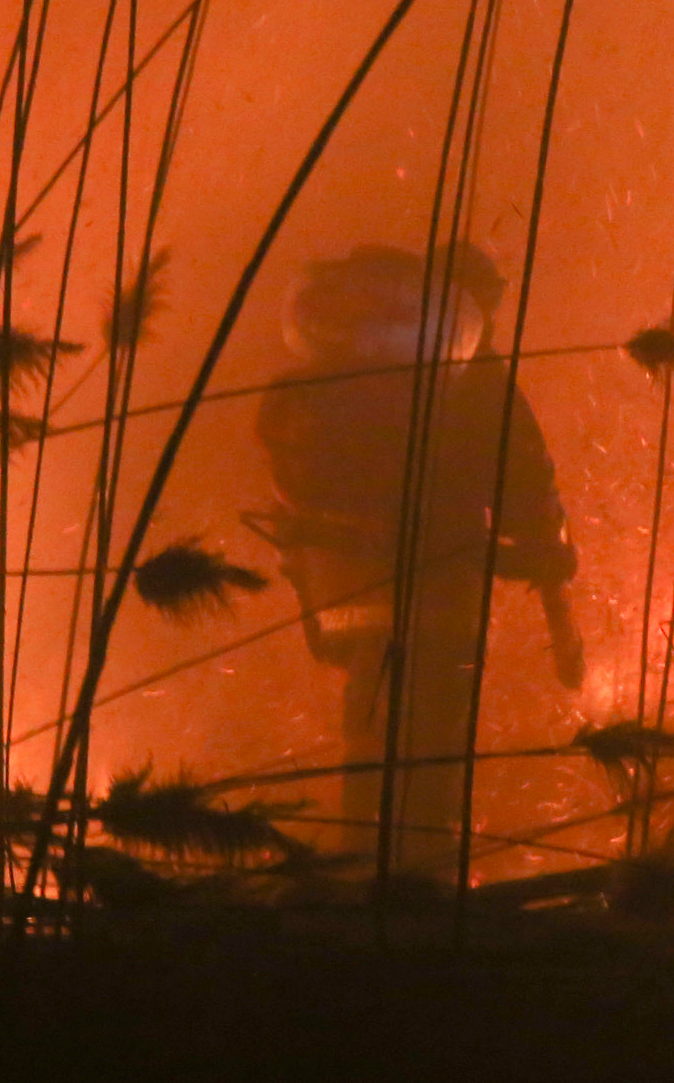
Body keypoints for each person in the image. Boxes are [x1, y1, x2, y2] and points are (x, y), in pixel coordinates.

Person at [251, 244, 581, 886]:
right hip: (437, 597)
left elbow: (295, 500)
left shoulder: (345, 377)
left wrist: (311, 596)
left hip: (349, 594)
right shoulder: (480, 381)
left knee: (369, 742)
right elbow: (528, 494)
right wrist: (556, 597)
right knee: (431, 750)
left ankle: (360, 872)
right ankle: (418, 886)